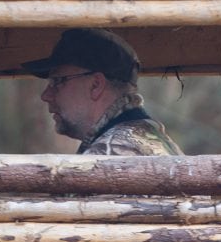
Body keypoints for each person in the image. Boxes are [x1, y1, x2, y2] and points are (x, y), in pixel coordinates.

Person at [21, 28, 182, 156]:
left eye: (57, 81)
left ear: (96, 85)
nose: (46, 95)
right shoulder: (144, 136)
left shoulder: (113, 151)